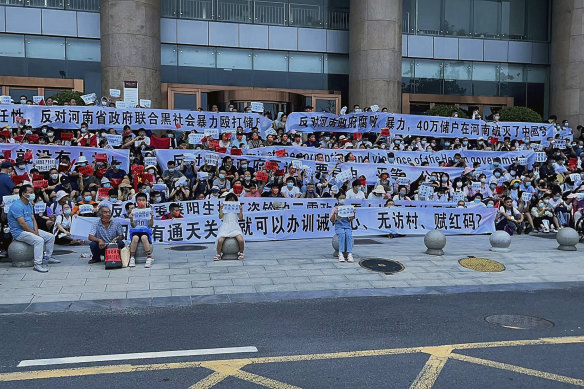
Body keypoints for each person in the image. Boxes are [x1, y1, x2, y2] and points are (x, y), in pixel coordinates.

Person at [7, 184, 58, 273]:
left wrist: (36, 231)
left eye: (33, 192)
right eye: (30, 192)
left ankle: (47, 257)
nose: (33, 194)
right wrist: (34, 233)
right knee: (39, 240)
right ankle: (37, 264)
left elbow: (33, 219)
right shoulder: (16, 206)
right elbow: (22, 223)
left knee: (50, 237)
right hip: (19, 232)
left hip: (31, 230)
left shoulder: (29, 204)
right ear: (23, 194)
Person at [215, 193, 245, 261]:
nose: (231, 202)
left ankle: (241, 253)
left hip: (234, 226)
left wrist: (240, 210)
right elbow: (220, 217)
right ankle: (218, 254)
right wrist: (221, 208)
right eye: (230, 200)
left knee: (240, 240)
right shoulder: (224, 207)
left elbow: (240, 218)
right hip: (225, 226)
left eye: (233, 200)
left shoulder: (237, 208)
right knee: (220, 240)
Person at [128, 193, 154, 267]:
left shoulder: (148, 211)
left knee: (144, 237)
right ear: (136, 201)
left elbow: (150, 225)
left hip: (145, 230)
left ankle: (149, 257)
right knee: (135, 238)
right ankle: (132, 258)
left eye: (143, 200)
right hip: (136, 230)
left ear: (146, 201)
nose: (141, 201)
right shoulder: (134, 211)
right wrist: (131, 218)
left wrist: (152, 217)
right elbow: (133, 225)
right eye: (139, 200)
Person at [330, 190, 355, 263]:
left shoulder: (347, 208)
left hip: (347, 226)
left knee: (348, 235)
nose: (342, 200)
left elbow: (350, 219)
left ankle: (349, 253)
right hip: (339, 227)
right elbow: (332, 220)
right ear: (337, 199)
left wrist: (353, 214)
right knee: (342, 234)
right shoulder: (335, 209)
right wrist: (335, 214)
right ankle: (340, 253)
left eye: (344, 198)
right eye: (341, 198)